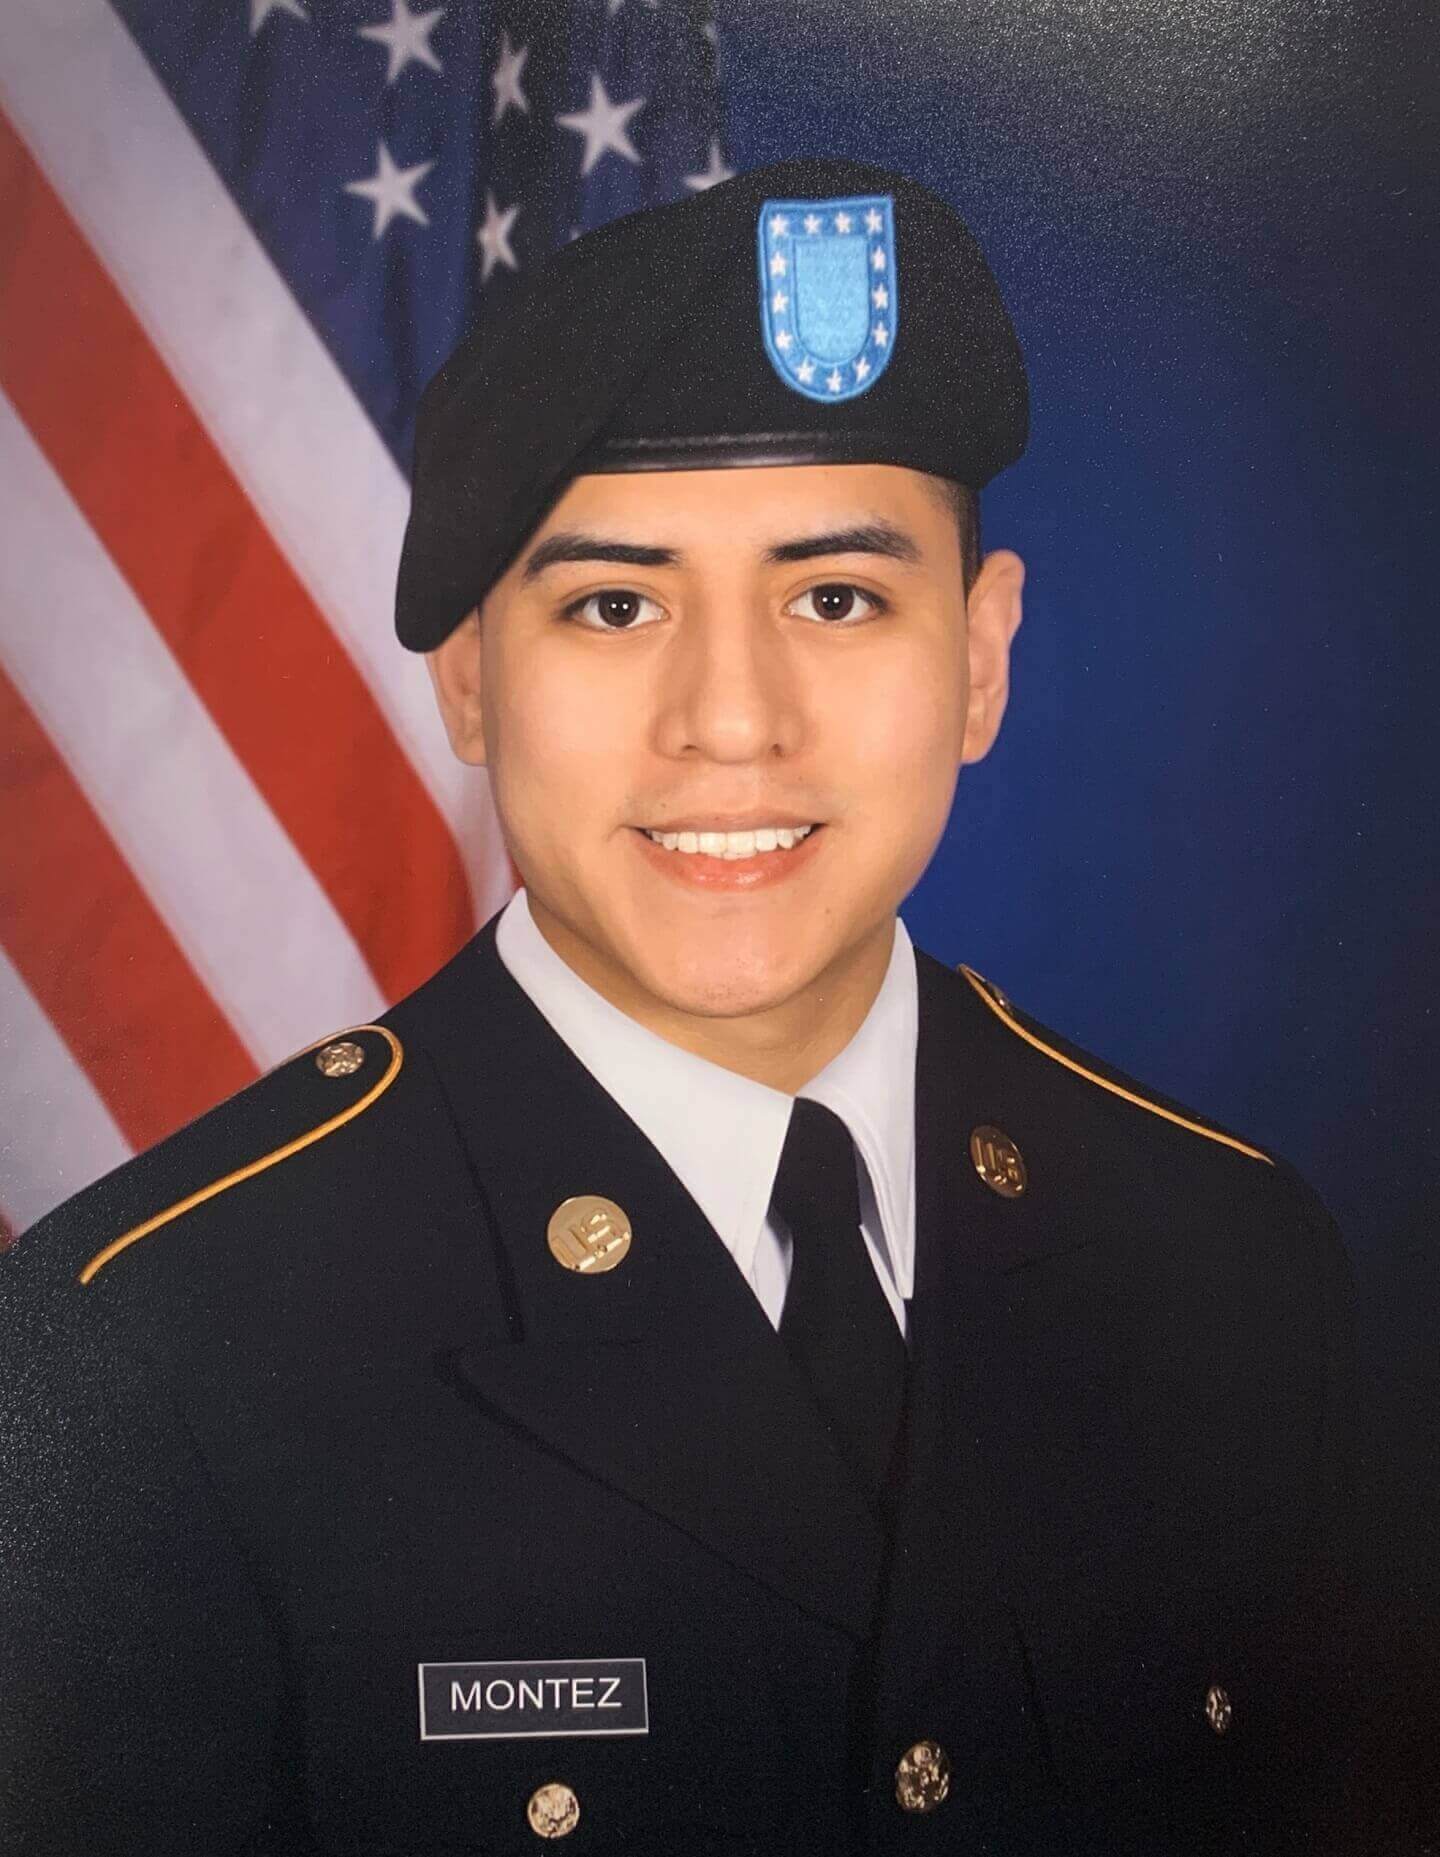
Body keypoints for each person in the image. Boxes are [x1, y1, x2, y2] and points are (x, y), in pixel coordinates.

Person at [1, 158, 1363, 1854]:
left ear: (984, 657)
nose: (731, 721)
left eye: (838, 596)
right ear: (474, 680)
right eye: (616, 603)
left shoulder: (1237, 1268)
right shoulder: (135, 1363)